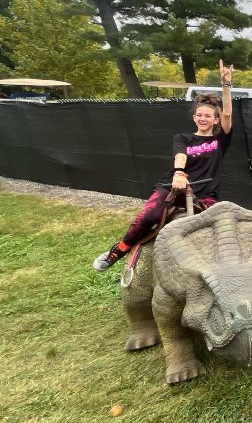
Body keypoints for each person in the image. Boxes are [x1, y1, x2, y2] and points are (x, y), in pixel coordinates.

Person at [92, 60, 235, 271]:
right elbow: (180, 156)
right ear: (194, 118)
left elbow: (228, 114)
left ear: (215, 120)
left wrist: (226, 85)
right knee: (148, 216)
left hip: (205, 193)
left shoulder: (219, 141)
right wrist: (179, 173)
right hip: (173, 186)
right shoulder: (183, 138)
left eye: (208, 116)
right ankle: (119, 250)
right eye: (199, 115)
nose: (203, 118)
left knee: (224, 226)